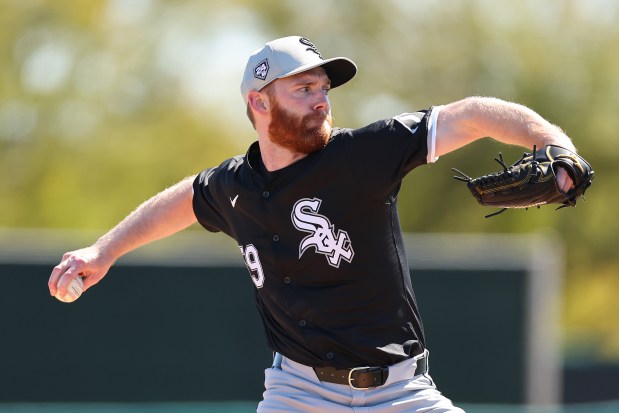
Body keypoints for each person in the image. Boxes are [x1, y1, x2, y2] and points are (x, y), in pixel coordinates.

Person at [48, 36, 577, 412]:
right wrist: (103, 252)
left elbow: (470, 113)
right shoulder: (235, 187)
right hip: (298, 394)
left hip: (399, 392)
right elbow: (182, 200)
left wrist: (555, 144)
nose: (321, 99)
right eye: (302, 89)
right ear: (259, 101)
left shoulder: (364, 154)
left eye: (323, 87)